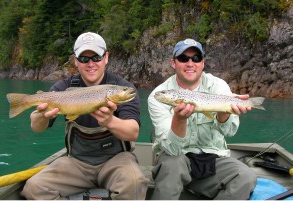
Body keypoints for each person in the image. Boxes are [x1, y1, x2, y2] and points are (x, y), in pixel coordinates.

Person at [21, 32, 148, 200]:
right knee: (33, 188)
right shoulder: (61, 88)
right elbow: (36, 127)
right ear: (76, 61)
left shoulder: (123, 88)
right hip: (77, 162)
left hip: (116, 160)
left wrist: (110, 121)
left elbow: (133, 132)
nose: (90, 64)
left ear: (106, 57)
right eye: (84, 59)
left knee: (135, 183)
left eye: (96, 57)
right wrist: (42, 116)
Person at [147, 38, 257, 200]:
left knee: (245, 177)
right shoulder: (159, 95)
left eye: (196, 58)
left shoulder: (218, 86)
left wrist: (223, 112)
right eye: (183, 58)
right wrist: (179, 119)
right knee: (173, 166)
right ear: (173, 63)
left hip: (214, 158)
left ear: (203, 63)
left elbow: (231, 131)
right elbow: (172, 150)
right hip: (176, 157)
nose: (190, 63)